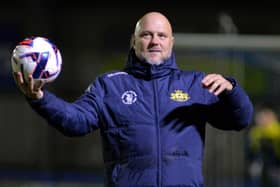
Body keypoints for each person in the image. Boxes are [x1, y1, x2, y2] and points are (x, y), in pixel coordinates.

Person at [13, 11, 253, 187]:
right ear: (134, 40)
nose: (154, 41)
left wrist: (232, 91)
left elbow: (240, 120)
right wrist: (40, 99)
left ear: (171, 42)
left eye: (161, 35)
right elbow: (75, 121)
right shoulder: (109, 85)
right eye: (146, 34)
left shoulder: (194, 84)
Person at [246, 107, 280, 187]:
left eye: (266, 116)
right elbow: (252, 149)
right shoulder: (255, 132)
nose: (263, 119)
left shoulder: (276, 130)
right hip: (261, 163)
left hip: (275, 163)